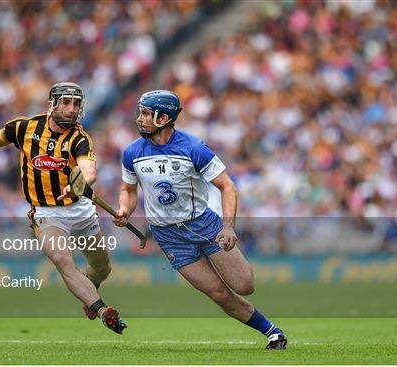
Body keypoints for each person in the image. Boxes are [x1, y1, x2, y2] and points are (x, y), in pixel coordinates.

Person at [113, 90, 286, 348]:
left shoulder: (194, 148)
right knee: (217, 293)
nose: (140, 119)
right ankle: (273, 332)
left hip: (204, 225)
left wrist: (228, 227)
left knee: (245, 285)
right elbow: (128, 191)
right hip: (168, 236)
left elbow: (227, 186)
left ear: (163, 117)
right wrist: (124, 209)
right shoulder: (132, 152)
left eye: (146, 114)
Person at [0, 82, 126, 334]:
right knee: (63, 260)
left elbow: (89, 168)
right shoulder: (25, 127)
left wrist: (79, 183)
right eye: (65, 102)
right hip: (46, 213)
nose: (71, 109)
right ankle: (101, 310)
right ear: (52, 104)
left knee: (102, 267)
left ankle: (90, 290)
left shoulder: (79, 138)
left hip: (80, 209)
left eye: (75, 104)